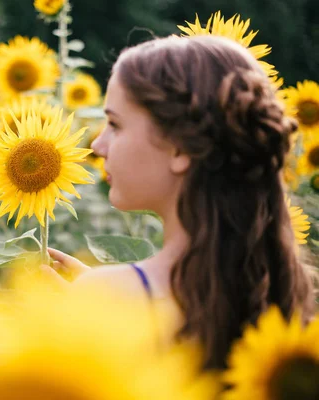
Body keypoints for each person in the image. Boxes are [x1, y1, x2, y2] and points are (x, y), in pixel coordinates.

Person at [45, 35, 316, 369]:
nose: (99, 145)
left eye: (115, 124)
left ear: (179, 148)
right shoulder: (288, 299)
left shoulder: (106, 298)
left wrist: (99, 301)